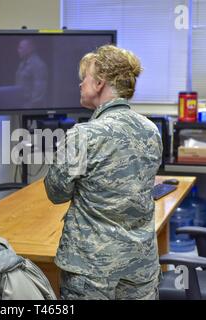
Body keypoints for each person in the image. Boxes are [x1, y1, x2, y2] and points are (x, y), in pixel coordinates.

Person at [44, 45, 163, 300]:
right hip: (141, 266)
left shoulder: (84, 136)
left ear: (99, 83)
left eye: (83, 78)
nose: (80, 84)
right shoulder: (152, 130)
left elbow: (55, 192)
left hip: (92, 270)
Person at [15, 38, 48, 108]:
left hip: (31, 107)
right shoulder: (22, 63)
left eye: (21, 48)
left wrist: (29, 107)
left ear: (30, 49)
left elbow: (39, 90)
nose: (18, 50)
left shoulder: (37, 64)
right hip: (21, 103)